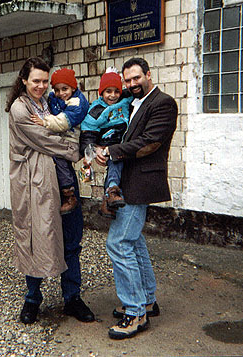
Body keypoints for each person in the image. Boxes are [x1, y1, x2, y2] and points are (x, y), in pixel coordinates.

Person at [6, 57, 94, 325]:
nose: (41, 86)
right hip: (34, 185)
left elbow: (76, 117)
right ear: (24, 80)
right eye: (36, 81)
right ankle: (32, 299)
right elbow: (47, 140)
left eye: (45, 81)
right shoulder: (20, 110)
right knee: (35, 238)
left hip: (64, 182)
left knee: (71, 238)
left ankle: (72, 298)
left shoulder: (52, 102)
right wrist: (76, 148)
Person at [95, 58, 178, 340]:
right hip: (128, 182)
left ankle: (135, 314)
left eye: (135, 79)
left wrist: (111, 151)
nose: (131, 85)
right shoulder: (132, 103)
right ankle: (147, 301)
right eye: (127, 81)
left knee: (118, 243)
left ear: (148, 75)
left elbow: (150, 143)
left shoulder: (163, 103)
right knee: (134, 241)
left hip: (141, 183)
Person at [31, 68, 89, 215]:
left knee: (60, 160)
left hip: (70, 141)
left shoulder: (78, 103)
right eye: (57, 90)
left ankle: (69, 195)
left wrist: (44, 122)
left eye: (65, 89)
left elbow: (63, 122)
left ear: (73, 87)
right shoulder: (55, 98)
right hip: (62, 138)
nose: (61, 93)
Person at [80, 68, 133, 219]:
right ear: (101, 92)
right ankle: (111, 191)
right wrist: (92, 150)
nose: (113, 95)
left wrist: (123, 81)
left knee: (116, 166)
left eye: (116, 91)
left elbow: (132, 92)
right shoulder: (96, 111)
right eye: (108, 91)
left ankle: (107, 203)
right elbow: (88, 133)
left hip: (121, 142)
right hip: (105, 145)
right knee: (113, 163)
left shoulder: (125, 101)